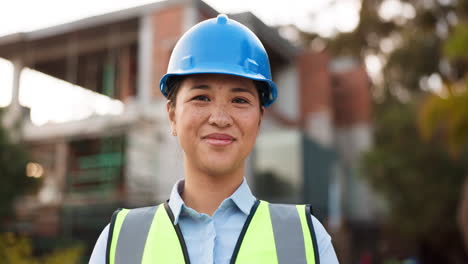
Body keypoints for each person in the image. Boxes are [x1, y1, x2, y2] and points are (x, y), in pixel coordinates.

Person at [89, 14, 339, 264]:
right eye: (201, 97)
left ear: (259, 120)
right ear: (173, 115)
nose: (220, 118)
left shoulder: (306, 239)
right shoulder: (120, 240)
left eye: (239, 100)